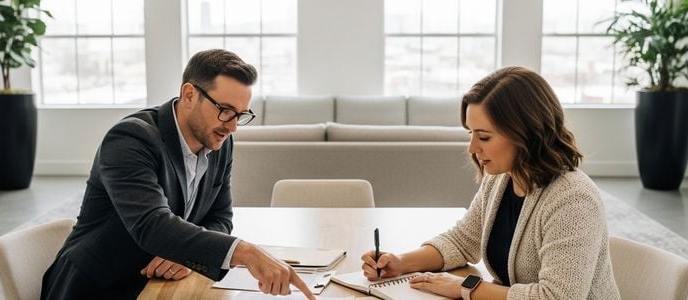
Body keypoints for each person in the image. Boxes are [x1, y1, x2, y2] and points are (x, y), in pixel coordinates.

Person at [41, 49, 314, 299]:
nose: (232, 127)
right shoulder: (130, 139)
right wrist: (246, 252)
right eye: (225, 111)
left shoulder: (219, 140)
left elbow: (220, 217)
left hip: (161, 285)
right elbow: (151, 224)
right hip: (98, 288)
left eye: (241, 115)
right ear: (189, 94)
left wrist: (185, 252)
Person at [360, 67, 620, 299]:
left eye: (484, 137)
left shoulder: (572, 200)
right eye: (471, 134)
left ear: (524, 133)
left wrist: (467, 287)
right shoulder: (500, 180)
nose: (472, 148)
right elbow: (462, 241)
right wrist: (399, 263)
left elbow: (556, 297)